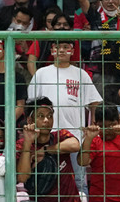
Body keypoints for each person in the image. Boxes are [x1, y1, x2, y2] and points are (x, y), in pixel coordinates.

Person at [27, 38, 102, 192]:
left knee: (79, 182)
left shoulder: (81, 74)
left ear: (72, 51)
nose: (61, 50)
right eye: (57, 47)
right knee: (44, 182)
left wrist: (93, 123)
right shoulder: (41, 73)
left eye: (66, 47)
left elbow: (94, 102)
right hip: (46, 136)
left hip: (74, 137)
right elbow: (31, 105)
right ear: (52, 50)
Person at [16, 97, 83, 202]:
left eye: (49, 116)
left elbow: (75, 145)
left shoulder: (60, 136)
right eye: (40, 116)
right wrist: (28, 143)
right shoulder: (22, 144)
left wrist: (46, 150)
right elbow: (22, 177)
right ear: (30, 120)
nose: (46, 120)